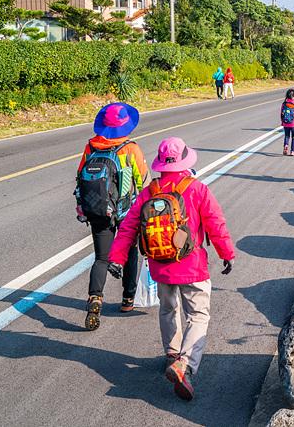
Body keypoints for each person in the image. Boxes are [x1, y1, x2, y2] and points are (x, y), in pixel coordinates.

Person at [108, 137, 235, 401]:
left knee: (168, 309)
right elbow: (216, 223)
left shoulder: (150, 192)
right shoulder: (197, 189)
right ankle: (184, 364)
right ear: (185, 160)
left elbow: (129, 226)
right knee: (198, 315)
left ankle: (171, 354)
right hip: (192, 266)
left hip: (160, 265)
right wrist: (227, 254)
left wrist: (117, 258)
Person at [75, 102, 148, 330]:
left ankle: (95, 298)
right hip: (125, 211)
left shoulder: (91, 147)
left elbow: (80, 176)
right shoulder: (130, 148)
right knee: (130, 252)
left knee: (101, 258)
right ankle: (128, 299)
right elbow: (142, 180)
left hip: (99, 210)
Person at [280, 89, 294, 156]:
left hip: (286, 123)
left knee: (287, 136)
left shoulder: (284, 104)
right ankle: (292, 151)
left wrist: (282, 122)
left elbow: (281, 114)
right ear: (293, 96)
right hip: (293, 124)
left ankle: (286, 145)